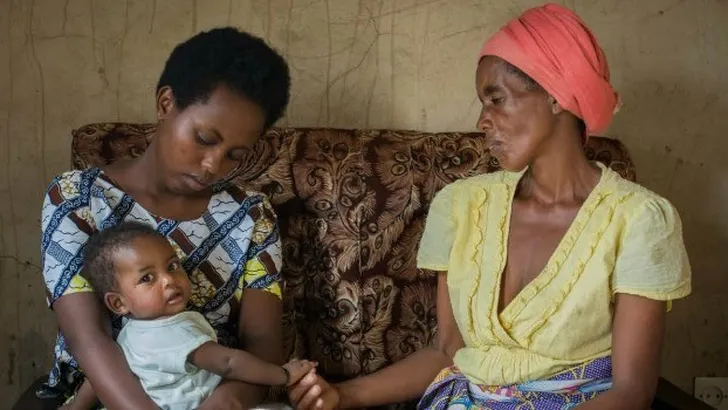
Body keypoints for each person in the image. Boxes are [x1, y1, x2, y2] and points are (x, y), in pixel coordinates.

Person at [288, 3, 691, 410]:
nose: (483, 120)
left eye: (496, 99)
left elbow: (630, 392)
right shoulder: (462, 206)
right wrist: (343, 395)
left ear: (555, 96)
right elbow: (447, 353)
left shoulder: (639, 219)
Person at [38, 27, 291, 409]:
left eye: (235, 155)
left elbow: (263, 345)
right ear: (166, 103)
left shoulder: (253, 216)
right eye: (204, 139)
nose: (213, 165)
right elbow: (90, 340)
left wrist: (225, 404)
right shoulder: (77, 199)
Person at [59, 222, 316, 410]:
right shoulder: (177, 330)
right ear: (118, 303)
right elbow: (228, 362)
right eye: (147, 278)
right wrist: (283, 375)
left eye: (172, 266)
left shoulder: (127, 336)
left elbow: (96, 382)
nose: (169, 280)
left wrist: (75, 407)